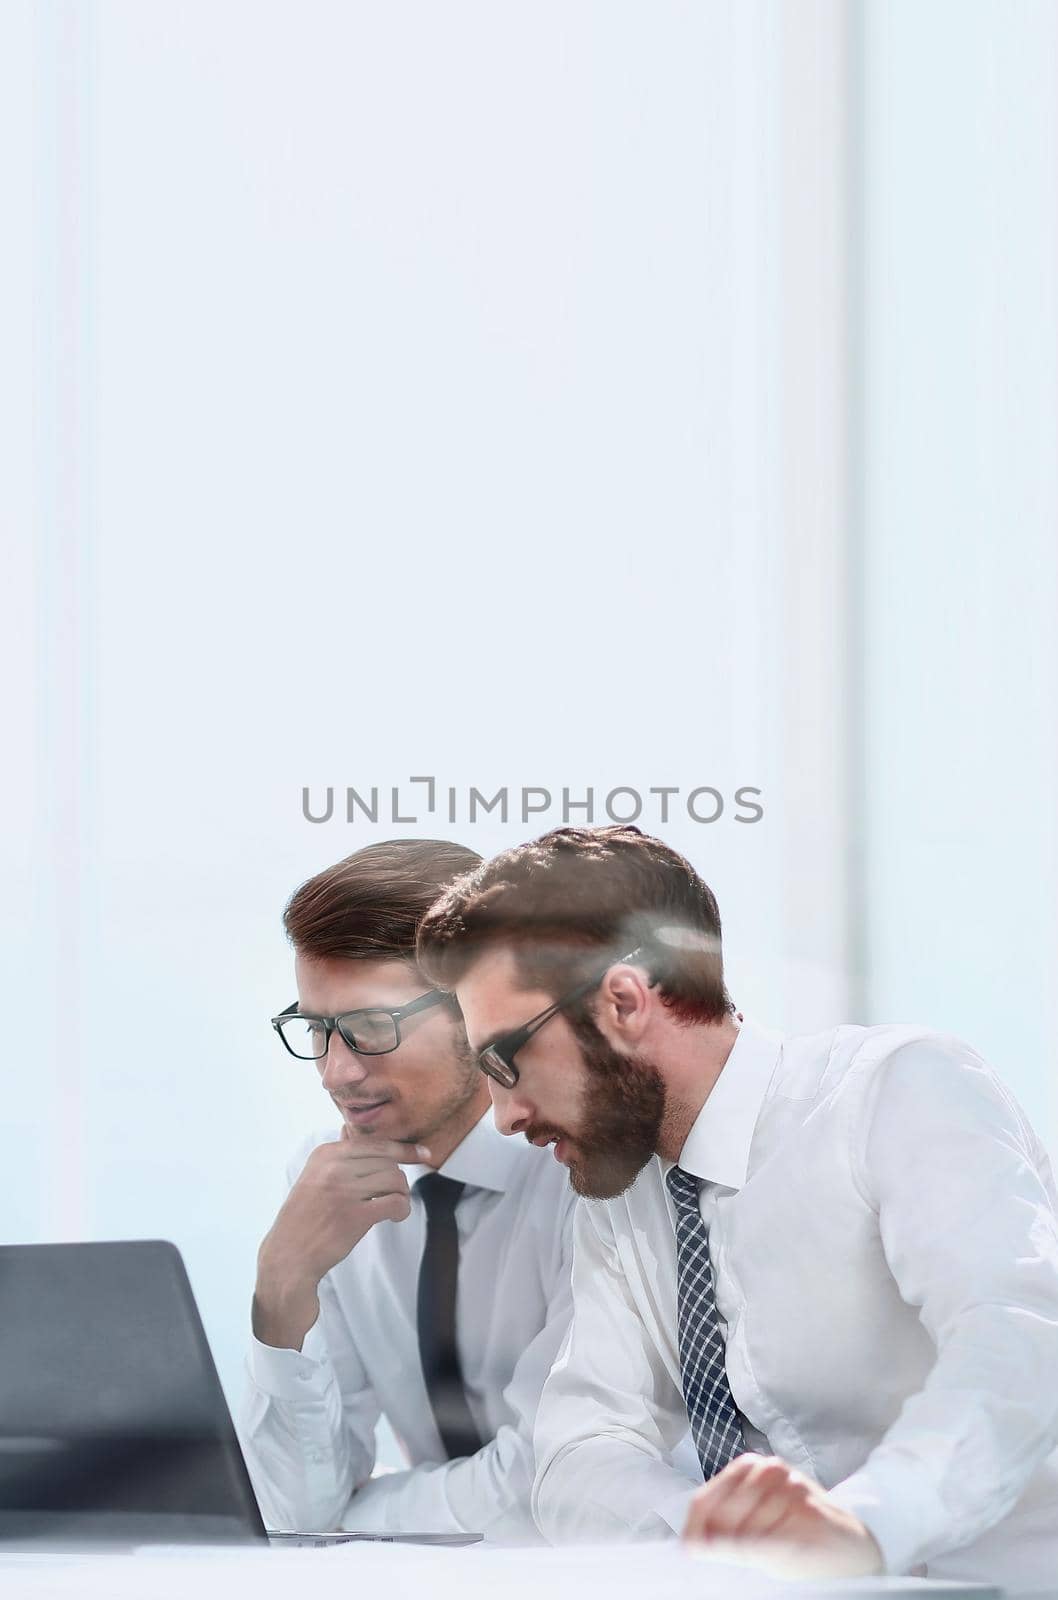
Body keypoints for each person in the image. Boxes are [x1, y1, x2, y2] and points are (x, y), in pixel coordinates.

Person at [416, 824, 1058, 1586]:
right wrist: (716, 1533)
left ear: (624, 1002)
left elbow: (1019, 1339)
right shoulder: (620, 1197)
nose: (503, 1116)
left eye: (504, 1059)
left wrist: (866, 1522)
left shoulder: (896, 1090)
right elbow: (576, 1452)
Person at [240, 839, 575, 1542]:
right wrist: (282, 1287)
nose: (335, 1074)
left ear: (478, 1008)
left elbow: (555, 1479)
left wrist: (360, 1516)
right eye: (316, 1030)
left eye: (368, 1028)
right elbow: (293, 1513)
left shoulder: (581, 1170)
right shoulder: (327, 1184)